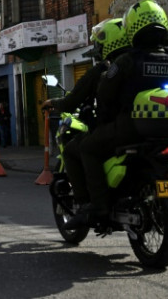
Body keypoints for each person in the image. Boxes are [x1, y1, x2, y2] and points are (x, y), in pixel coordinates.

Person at [66, 0, 168, 229]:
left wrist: (102, 114)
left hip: (129, 127)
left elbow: (105, 95)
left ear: (132, 28)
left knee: (87, 148)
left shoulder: (126, 61)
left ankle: (99, 207)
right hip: (167, 132)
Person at [42, 17, 131, 210]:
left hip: (115, 129)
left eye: (99, 43)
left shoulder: (106, 69)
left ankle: (89, 206)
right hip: (143, 129)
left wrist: (53, 103)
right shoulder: (137, 61)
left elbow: (71, 101)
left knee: (79, 149)